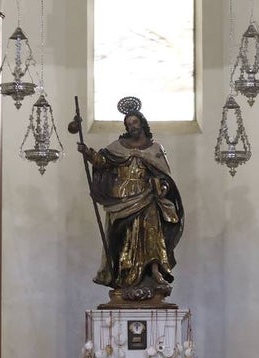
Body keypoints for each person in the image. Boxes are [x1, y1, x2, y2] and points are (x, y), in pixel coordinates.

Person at [77, 102, 184, 300]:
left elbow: (164, 176)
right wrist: (88, 153)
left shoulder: (155, 148)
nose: (132, 126)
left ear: (142, 123)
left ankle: (154, 272)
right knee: (124, 236)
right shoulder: (118, 147)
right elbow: (102, 161)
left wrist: (164, 187)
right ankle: (124, 275)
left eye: (135, 122)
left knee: (151, 232)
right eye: (128, 123)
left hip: (148, 197)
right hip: (122, 198)